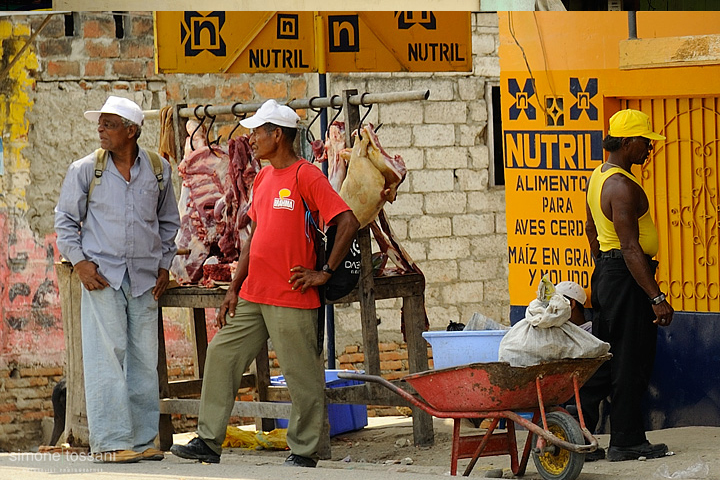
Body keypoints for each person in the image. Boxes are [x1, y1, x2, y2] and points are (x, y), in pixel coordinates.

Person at [170, 99, 360, 467]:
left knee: (301, 376)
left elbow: (347, 221)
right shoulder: (262, 177)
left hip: (293, 294)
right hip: (253, 294)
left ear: (278, 135)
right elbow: (253, 238)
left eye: (258, 132)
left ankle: (304, 450)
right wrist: (233, 289)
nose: (252, 139)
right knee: (222, 354)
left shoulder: (307, 175)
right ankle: (208, 442)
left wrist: (326, 273)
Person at [54, 96, 180, 463]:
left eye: (110, 124)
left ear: (132, 131)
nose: (101, 130)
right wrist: (79, 263)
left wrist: (164, 264)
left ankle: (142, 442)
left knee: (143, 360)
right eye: (101, 124)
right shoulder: (84, 170)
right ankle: (110, 443)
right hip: (102, 277)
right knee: (105, 359)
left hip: (144, 278)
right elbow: (64, 221)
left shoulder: (158, 170)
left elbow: (169, 222)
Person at [580, 108, 674, 462]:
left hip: (611, 274)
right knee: (629, 359)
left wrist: (603, 266)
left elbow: (591, 227)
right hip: (625, 277)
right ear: (627, 142)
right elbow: (630, 246)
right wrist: (656, 296)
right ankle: (625, 439)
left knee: (609, 357)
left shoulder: (598, 176)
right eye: (645, 142)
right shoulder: (621, 186)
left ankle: (581, 431)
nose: (649, 148)